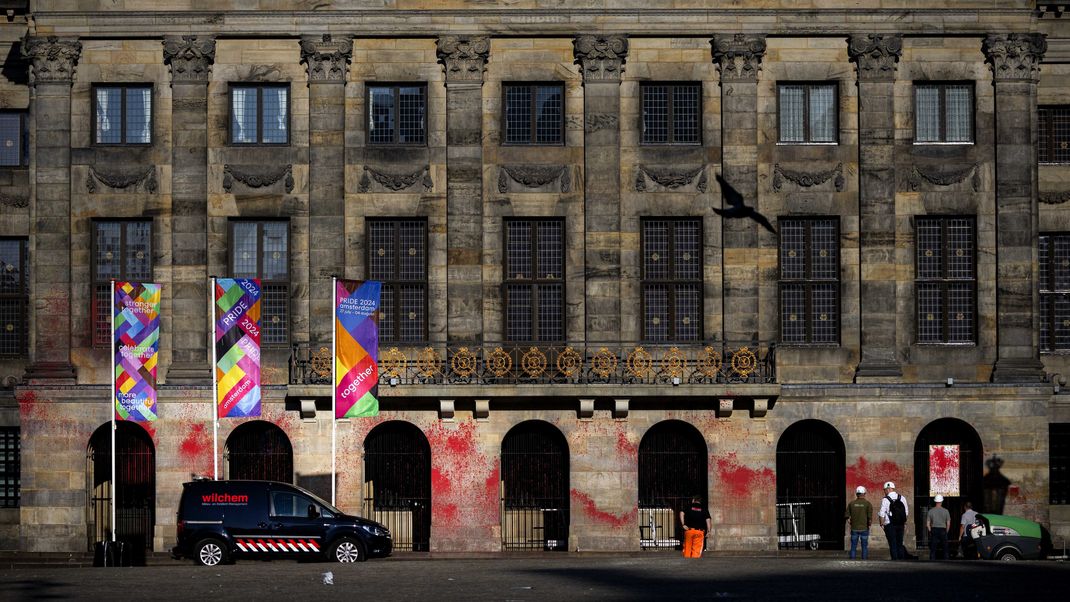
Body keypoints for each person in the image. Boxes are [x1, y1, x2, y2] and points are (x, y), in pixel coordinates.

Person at [878, 481, 909, 560]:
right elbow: (906, 513)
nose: (884, 491)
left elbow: (882, 514)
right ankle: (901, 559)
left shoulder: (885, 499)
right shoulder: (902, 498)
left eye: (884, 490)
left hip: (890, 525)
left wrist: (882, 524)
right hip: (900, 524)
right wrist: (904, 523)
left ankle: (895, 560)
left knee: (892, 543)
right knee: (900, 543)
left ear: (888, 489)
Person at [845, 485, 873, 560]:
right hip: (864, 528)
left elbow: (847, 516)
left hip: (854, 528)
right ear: (864, 493)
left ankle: (852, 559)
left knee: (853, 546)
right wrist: (869, 525)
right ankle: (864, 560)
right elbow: (869, 517)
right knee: (864, 546)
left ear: (856, 494)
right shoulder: (868, 504)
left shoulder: (851, 503)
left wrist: (850, 522)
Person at [926, 495, 951, 560]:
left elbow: (928, 524)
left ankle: (932, 560)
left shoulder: (930, 511)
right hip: (943, 529)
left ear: (935, 501)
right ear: (942, 501)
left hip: (934, 529)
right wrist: (946, 531)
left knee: (933, 547)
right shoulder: (946, 511)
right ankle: (946, 560)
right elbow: (948, 524)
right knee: (945, 547)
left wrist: (930, 531)